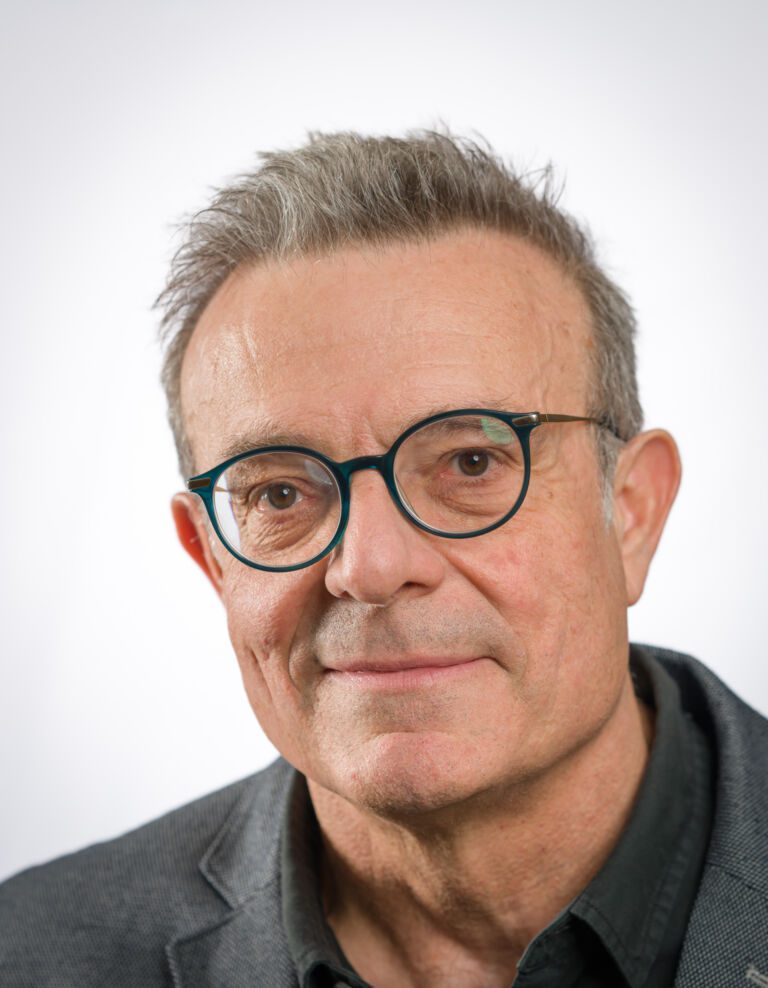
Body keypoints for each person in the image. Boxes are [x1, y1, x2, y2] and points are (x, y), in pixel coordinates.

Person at [1, 131, 767, 988]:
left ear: (631, 513)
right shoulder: (30, 956)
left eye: (470, 463)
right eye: (280, 494)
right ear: (213, 559)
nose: (368, 567)